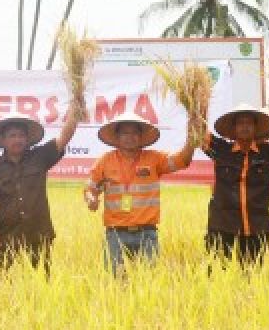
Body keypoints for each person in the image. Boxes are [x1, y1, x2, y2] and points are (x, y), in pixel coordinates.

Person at [84, 114, 196, 275]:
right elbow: (90, 188)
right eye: (125, 133)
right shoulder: (105, 161)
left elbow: (183, 160)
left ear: (141, 136)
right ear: (117, 137)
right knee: (115, 283)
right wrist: (91, 199)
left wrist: (192, 135)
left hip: (147, 233)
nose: (130, 137)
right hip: (115, 234)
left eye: (134, 133)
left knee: (148, 281)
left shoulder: (154, 159)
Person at [0, 108, 82, 272]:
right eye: (12, 135)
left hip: (38, 236)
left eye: (21, 136)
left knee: (40, 285)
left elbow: (63, 139)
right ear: (3, 140)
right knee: (3, 288)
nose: (17, 140)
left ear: (27, 139)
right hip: (6, 237)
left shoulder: (39, 157)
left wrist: (76, 110)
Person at [201, 104, 269, 265]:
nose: (245, 127)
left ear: (256, 128)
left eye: (249, 123)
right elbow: (199, 133)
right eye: (241, 123)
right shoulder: (221, 149)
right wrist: (198, 103)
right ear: (234, 128)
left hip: (257, 226)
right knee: (217, 276)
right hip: (222, 224)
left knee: (252, 277)